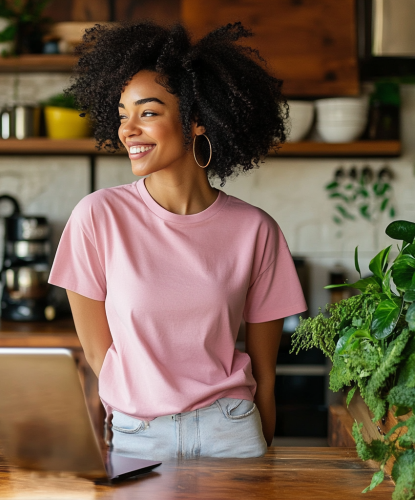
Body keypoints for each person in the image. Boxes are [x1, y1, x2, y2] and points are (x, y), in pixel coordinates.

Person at [49, 20, 307, 461]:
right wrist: (138, 410)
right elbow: (97, 352)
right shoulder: (97, 217)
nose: (128, 129)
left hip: (232, 433)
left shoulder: (256, 230)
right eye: (122, 113)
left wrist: (262, 454)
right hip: (140, 436)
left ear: (198, 120)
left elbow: (266, 372)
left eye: (147, 112)